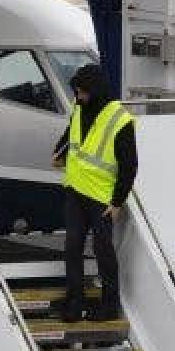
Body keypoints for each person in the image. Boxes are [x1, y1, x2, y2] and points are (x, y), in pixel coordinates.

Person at [51, 63, 137, 323]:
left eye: (82, 92)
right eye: (76, 92)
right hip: (75, 189)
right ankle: (75, 302)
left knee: (103, 250)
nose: (78, 97)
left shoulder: (120, 120)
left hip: (101, 197)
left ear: (95, 91)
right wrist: (59, 152)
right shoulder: (80, 107)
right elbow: (71, 134)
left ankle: (109, 305)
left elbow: (129, 166)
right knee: (72, 246)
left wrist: (118, 202)